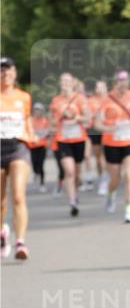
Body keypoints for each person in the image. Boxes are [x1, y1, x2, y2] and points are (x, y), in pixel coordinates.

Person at [94, 70, 130, 224]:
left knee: (129, 175)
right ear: (115, 83)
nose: (123, 84)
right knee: (115, 179)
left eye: (126, 81)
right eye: (120, 81)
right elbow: (97, 124)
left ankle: (129, 211)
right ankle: (110, 194)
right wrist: (109, 129)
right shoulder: (106, 100)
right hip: (112, 142)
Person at [0, 57, 34, 259]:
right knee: (1, 201)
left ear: (14, 73)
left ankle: (20, 242)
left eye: (8, 70)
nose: (5, 74)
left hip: (18, 146)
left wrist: (31, 134)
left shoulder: (24, 97)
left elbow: (27, 119)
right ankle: (3, 231)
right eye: (1, 71)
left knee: (18, 195)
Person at [49, 72, 90, 217]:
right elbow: (52, 122)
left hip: (78, 139)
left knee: (77, 174)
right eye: (62, 81)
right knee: (69, 171)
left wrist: (75, 117)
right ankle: (72, 202)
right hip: (63, 139)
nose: (65, 84)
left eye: (67, 81)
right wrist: (61, 117)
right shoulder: (55, 101)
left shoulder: (80, 99)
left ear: (73, 83)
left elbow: (88, 118)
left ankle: (75, 193)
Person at [87, 80, 109, 196]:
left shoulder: (111, 99)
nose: (100, 89)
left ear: (106, 88)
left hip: (108, 129)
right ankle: (103, 178)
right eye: (98, 87)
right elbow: (88, 115)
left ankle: (109, 176)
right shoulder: (91, 101)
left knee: (108, 156)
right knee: (99, 157)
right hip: (95, 130)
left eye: (102, 87)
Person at [29, 102, 50, 192]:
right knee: (34, 164)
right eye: (36, 110)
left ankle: (42, 183)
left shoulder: (45, 120)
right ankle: (35, 175)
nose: (37, 112)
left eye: (39, 110)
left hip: (42, 146)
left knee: (41, 165)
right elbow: (29, 131)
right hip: (32, 146)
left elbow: (47, 132)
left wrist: (41, 135)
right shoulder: (30, 120)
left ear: (42, 111)